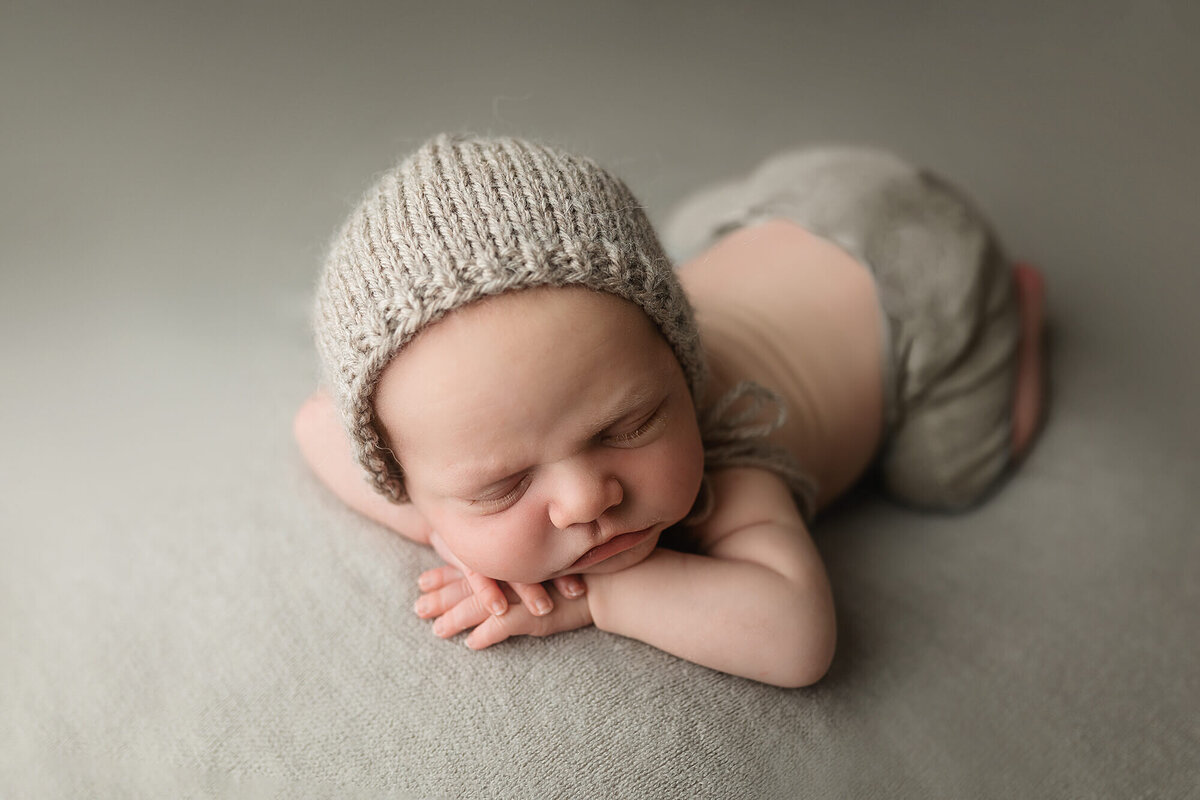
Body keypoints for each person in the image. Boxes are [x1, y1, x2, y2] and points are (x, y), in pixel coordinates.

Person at [293, 134, 1045, 688]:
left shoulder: (731, 460)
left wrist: (595, 594)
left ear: (679, 369)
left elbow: (797, 641)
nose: (589, 497)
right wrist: (447, 529)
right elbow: (317, 424)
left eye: (630, 427)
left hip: (921, 285)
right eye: (501, 486)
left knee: (949, 474)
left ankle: (1022, 318)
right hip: (784, 217)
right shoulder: (468, 437)